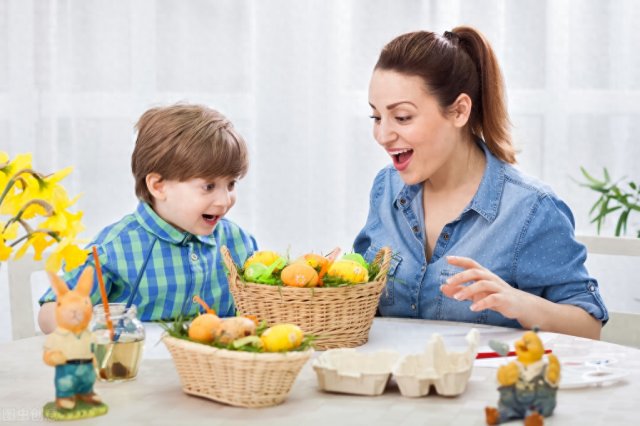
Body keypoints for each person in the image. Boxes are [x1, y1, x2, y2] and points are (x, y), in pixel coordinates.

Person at [353, 27, 607, 339]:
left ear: (459, 111)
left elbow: (589, 327)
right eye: (376, 118)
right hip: (389, 384)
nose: (382, 135)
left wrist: (520, 304)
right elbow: (362, 295)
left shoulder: (529, 209)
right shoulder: (386, 189)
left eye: (402, 117)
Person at [38, 104, 257, 333]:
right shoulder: (113, 249)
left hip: (214, 368)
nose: (224, 200)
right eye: (208, 186)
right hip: (137, 366)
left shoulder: (238, 243)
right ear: (158, 186)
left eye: (231, 184)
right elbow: (49, 313)